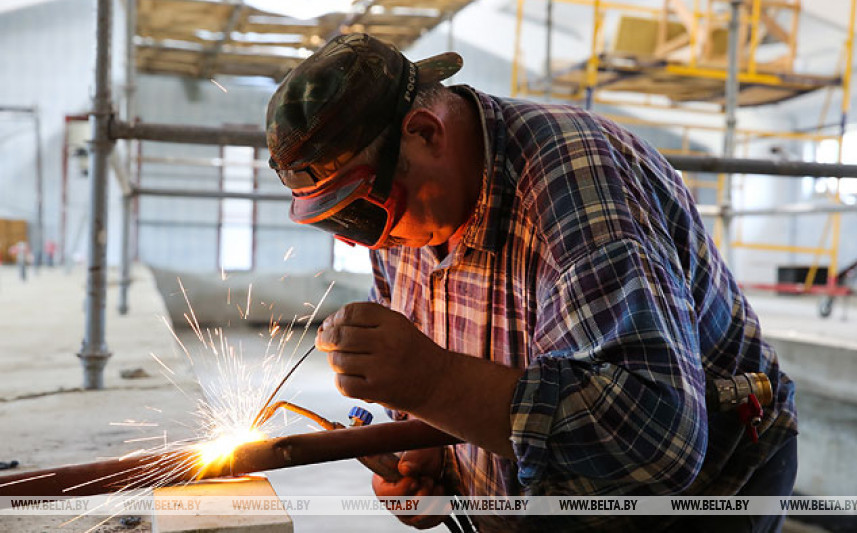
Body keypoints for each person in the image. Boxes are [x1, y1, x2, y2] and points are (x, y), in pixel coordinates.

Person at [265, 33, 798, 532]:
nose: (359, 241)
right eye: (334, 221)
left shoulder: (578, 188)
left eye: (358, 214)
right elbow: (454, 385)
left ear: (426, 133)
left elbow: (655, 437)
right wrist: (429, 445)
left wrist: (434, 384)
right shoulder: (404, 215)